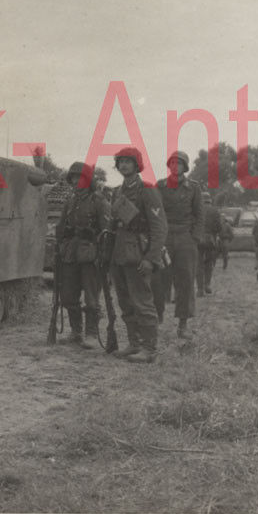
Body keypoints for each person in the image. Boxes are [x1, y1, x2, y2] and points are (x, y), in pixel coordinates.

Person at [109, 147, 167, 363]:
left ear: (136, 165)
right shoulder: (117, 192)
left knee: (142, 301)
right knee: (125, 302)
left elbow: (159, 228)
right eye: (120, 162)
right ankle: (134, 343)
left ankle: (149, 348)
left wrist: (151, 259)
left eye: (128, 162)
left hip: (138, 254)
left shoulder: (147, 191)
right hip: (119, 253)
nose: (123, 165)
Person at [55, 162, 110, 348]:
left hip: (91, 254)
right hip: (71, 253)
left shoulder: (99, 201)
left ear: (89, 180)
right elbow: (60, 228)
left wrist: (100, 249)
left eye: (81, 177)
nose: (77, 181)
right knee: (69, 295)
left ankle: (91, 335)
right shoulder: (70, 202)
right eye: (74, 178)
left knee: (92, 297)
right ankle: (76, 332)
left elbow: (107, 232)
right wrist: (63, 240)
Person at [154, 151, 202, 339]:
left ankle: (183, 324)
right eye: (172, 163)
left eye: (179, 163)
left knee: (186, 281)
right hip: (164, 237)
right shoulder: (160, 186)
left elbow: (200, 215)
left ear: (185, 167)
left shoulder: (194, 188)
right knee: (158, 279)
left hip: (185, 238)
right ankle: (157, 318)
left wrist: (194, 238)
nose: (175, 166)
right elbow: (155, 212)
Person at [195, 192, 221, 296]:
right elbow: (219, 227)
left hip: (197, 239)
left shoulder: (196, 210)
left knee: (199, 264)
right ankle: (207, 285)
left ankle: (200, 289)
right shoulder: (215, 211)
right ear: (210, 200)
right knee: (209, 263)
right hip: (210, 240)